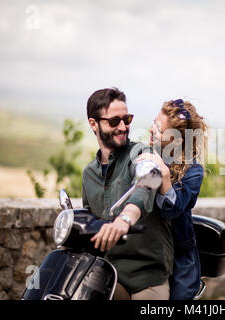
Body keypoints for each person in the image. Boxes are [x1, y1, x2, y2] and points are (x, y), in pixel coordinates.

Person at [82, 87, 173, 300]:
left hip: (147, 277)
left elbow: (149, 180)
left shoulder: (141, 153)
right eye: (114, 121)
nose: (123, 127)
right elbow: (88, 221)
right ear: (93, 124)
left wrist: (125, 217)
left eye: (127, 119)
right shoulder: (89, 174)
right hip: (110, 273)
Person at [136, 99, 207, 300]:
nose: (151, 130)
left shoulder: (193, 172)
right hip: (151, 251)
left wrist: (164, 174)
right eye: (154, 123)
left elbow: (171, 210)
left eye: (158, 129)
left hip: (179, 257)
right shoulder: (146, 155)